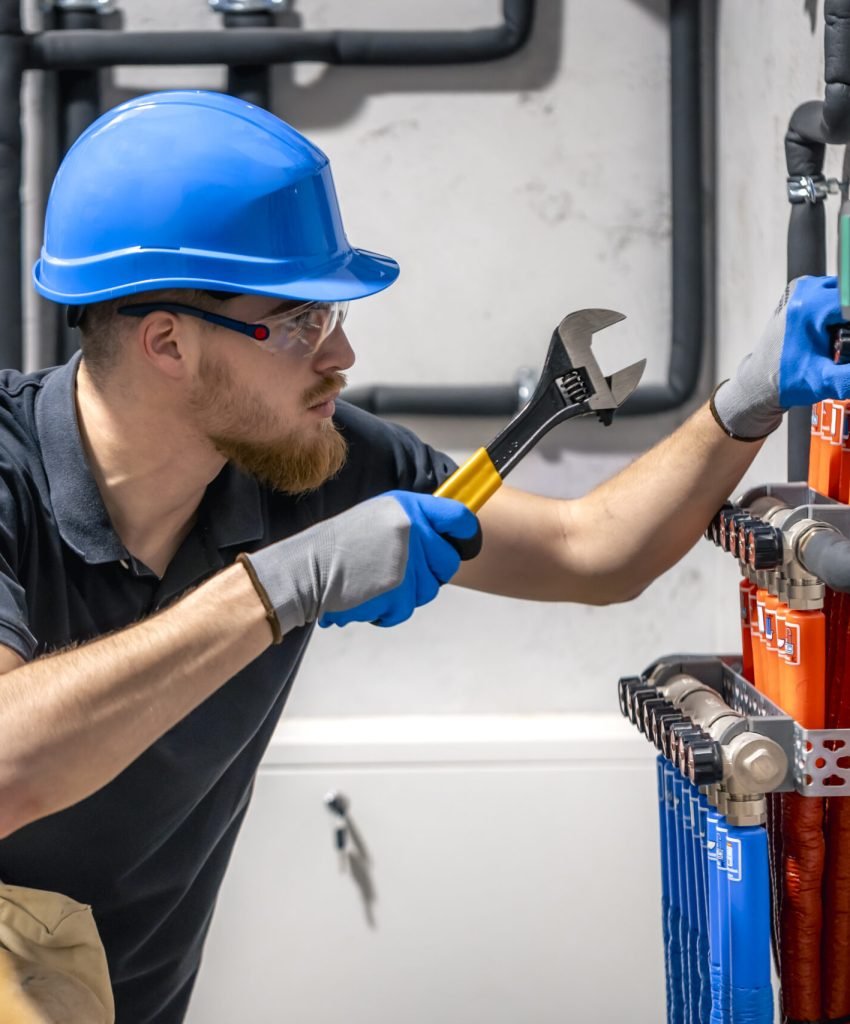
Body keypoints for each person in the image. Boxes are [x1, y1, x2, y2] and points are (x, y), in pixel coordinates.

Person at [0, 88, 845, 1024]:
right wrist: (283, 586)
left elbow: (590, 550)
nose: (343, 353)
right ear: (167, 342)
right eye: (300, 320)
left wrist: (746, 402)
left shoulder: (306, 465)